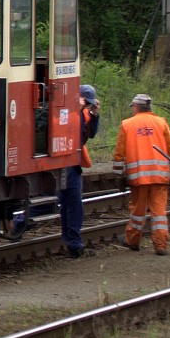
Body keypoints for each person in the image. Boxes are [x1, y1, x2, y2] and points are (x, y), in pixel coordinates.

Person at [112, 93, 170, 256]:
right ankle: (161, 245)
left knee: (137, 211)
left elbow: (119, 153)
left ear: (136, 107)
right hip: (160, 176)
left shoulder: (127, 124)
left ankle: (132, 241)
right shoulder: (160, 122)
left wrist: (118, 175)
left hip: (138, 177)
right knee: (159, 212)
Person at [59, 84, 100, 258]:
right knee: (54, 202)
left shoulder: (84, 114)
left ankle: (74, 244)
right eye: (86, 103)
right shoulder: (64, 111)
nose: (87, 106)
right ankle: (17, 224)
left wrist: (95, 114)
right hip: (62, 162)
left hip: (73, 164)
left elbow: (90, 134)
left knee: (74, 204)